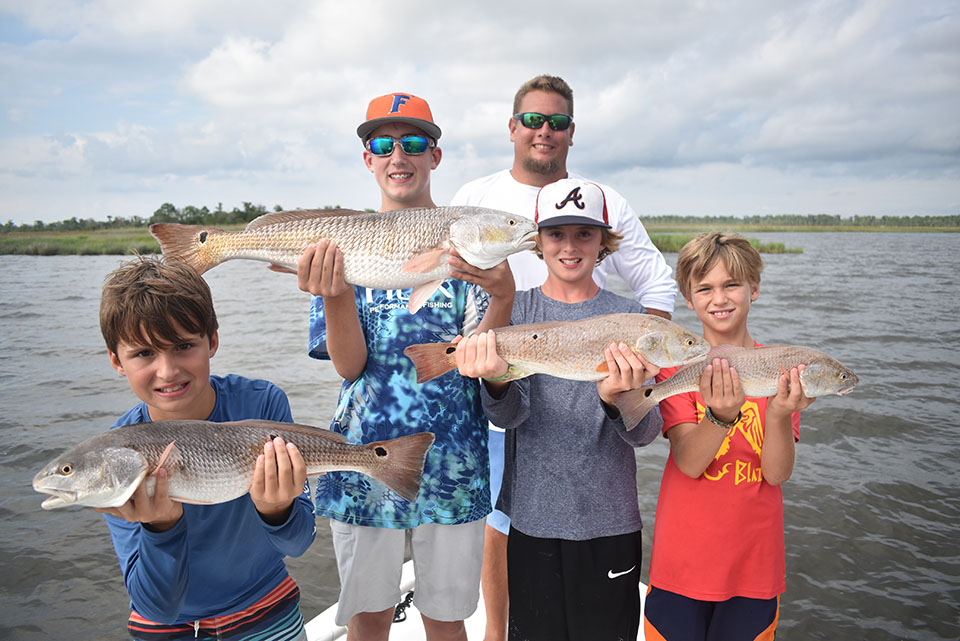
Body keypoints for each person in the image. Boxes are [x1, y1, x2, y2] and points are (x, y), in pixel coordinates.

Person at [449, 73, 677, 640]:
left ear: (605, 240)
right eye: (555, 236)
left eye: (584, 235)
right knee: (501, 538)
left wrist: (625, 388)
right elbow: (507, 411)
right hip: (533, 509)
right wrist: (496, 380)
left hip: (609, 518)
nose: (569, 247)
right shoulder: (513, 300)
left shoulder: (627, 313)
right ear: (537, 241)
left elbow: (644, 431)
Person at [297, 92, 515, 641]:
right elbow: (349, 368)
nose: (400, 155)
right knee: (367, 618)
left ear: (435, 156)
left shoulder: (470, 253)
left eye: (414, 142)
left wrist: (505, 299)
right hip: (362, 461)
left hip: (454, 463)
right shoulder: (338, 246)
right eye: (384, 144)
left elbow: (479, 364)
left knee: (447, 619)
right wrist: (338, 293)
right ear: (367, 159)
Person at [96, 255, 316, 641]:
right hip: (168, 632)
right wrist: (160, 527)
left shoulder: (262, 406)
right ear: (117, 360)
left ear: (212, 340)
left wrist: (277, 509)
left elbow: (298, 543)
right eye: (144, 353)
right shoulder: (116, 456)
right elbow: (155, 606)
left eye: (183, 345)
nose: (167, 371)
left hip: (268, 612)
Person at [642, 232, 814, 641]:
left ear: (754, 287)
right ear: (689, 298)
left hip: (754, 570)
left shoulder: (781, 369)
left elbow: (776, 474)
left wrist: (778, 413)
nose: (719, 298)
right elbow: (689, 461)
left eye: (731, 285)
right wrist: (720, 416)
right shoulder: (674, 372)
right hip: (680, 567)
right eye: (705, 289)